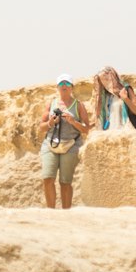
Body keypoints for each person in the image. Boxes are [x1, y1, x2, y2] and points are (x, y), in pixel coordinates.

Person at [39, 74, 91, 208]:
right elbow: (41, 127)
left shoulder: (78, 105)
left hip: (71, 145)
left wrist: (73, 122)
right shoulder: (51, 103)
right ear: (57, 87)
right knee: (47, 178)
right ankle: (51, 211)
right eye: (61, 84)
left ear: (72, 87)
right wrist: (51, 123)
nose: (64, 87)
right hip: (51, 143)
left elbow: (86, 129)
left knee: (65, 182)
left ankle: (66, 213)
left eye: (67, 84)